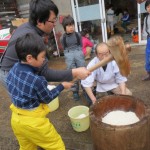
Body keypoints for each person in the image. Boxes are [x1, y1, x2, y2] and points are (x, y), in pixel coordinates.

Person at [0, 0, 90, 88]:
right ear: (39, 22)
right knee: (28, 99)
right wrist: (75, 72)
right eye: (52, 21)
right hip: (10, 73)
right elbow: (44, 73)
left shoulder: (27, 26)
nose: (54, 24)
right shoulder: (31, 37)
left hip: (13, 68)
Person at [6, 33, 73, 150]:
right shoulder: (37, 81)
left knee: (26, 147)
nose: (44, 60)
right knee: (56, 145)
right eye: (42, 57)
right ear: (29, 58)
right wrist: (62, 86)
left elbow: (13, 86)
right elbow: (47, 98)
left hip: (16, 119)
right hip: (34, 124)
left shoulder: (13, 69)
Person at [60, 15, 86, 100]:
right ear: (64, 27)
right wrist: (69, 55)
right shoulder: (62, 38)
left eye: (72, 25)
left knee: (82, 70)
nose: (71, 27)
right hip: (68, 53)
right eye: (68, 25)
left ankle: (85, 89)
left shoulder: (78, 35)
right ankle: (75, 91)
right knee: (73, 73)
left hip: (78, 51)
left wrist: (79, 53)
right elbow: (64, 47)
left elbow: (80, 45)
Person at [142, 0, 150, 81]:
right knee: (148, 57)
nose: (149, 8)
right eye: (148, 7)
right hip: (149, 39)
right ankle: (148, 73)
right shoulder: (146, 18)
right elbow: (145, 28)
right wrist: (145, 37)